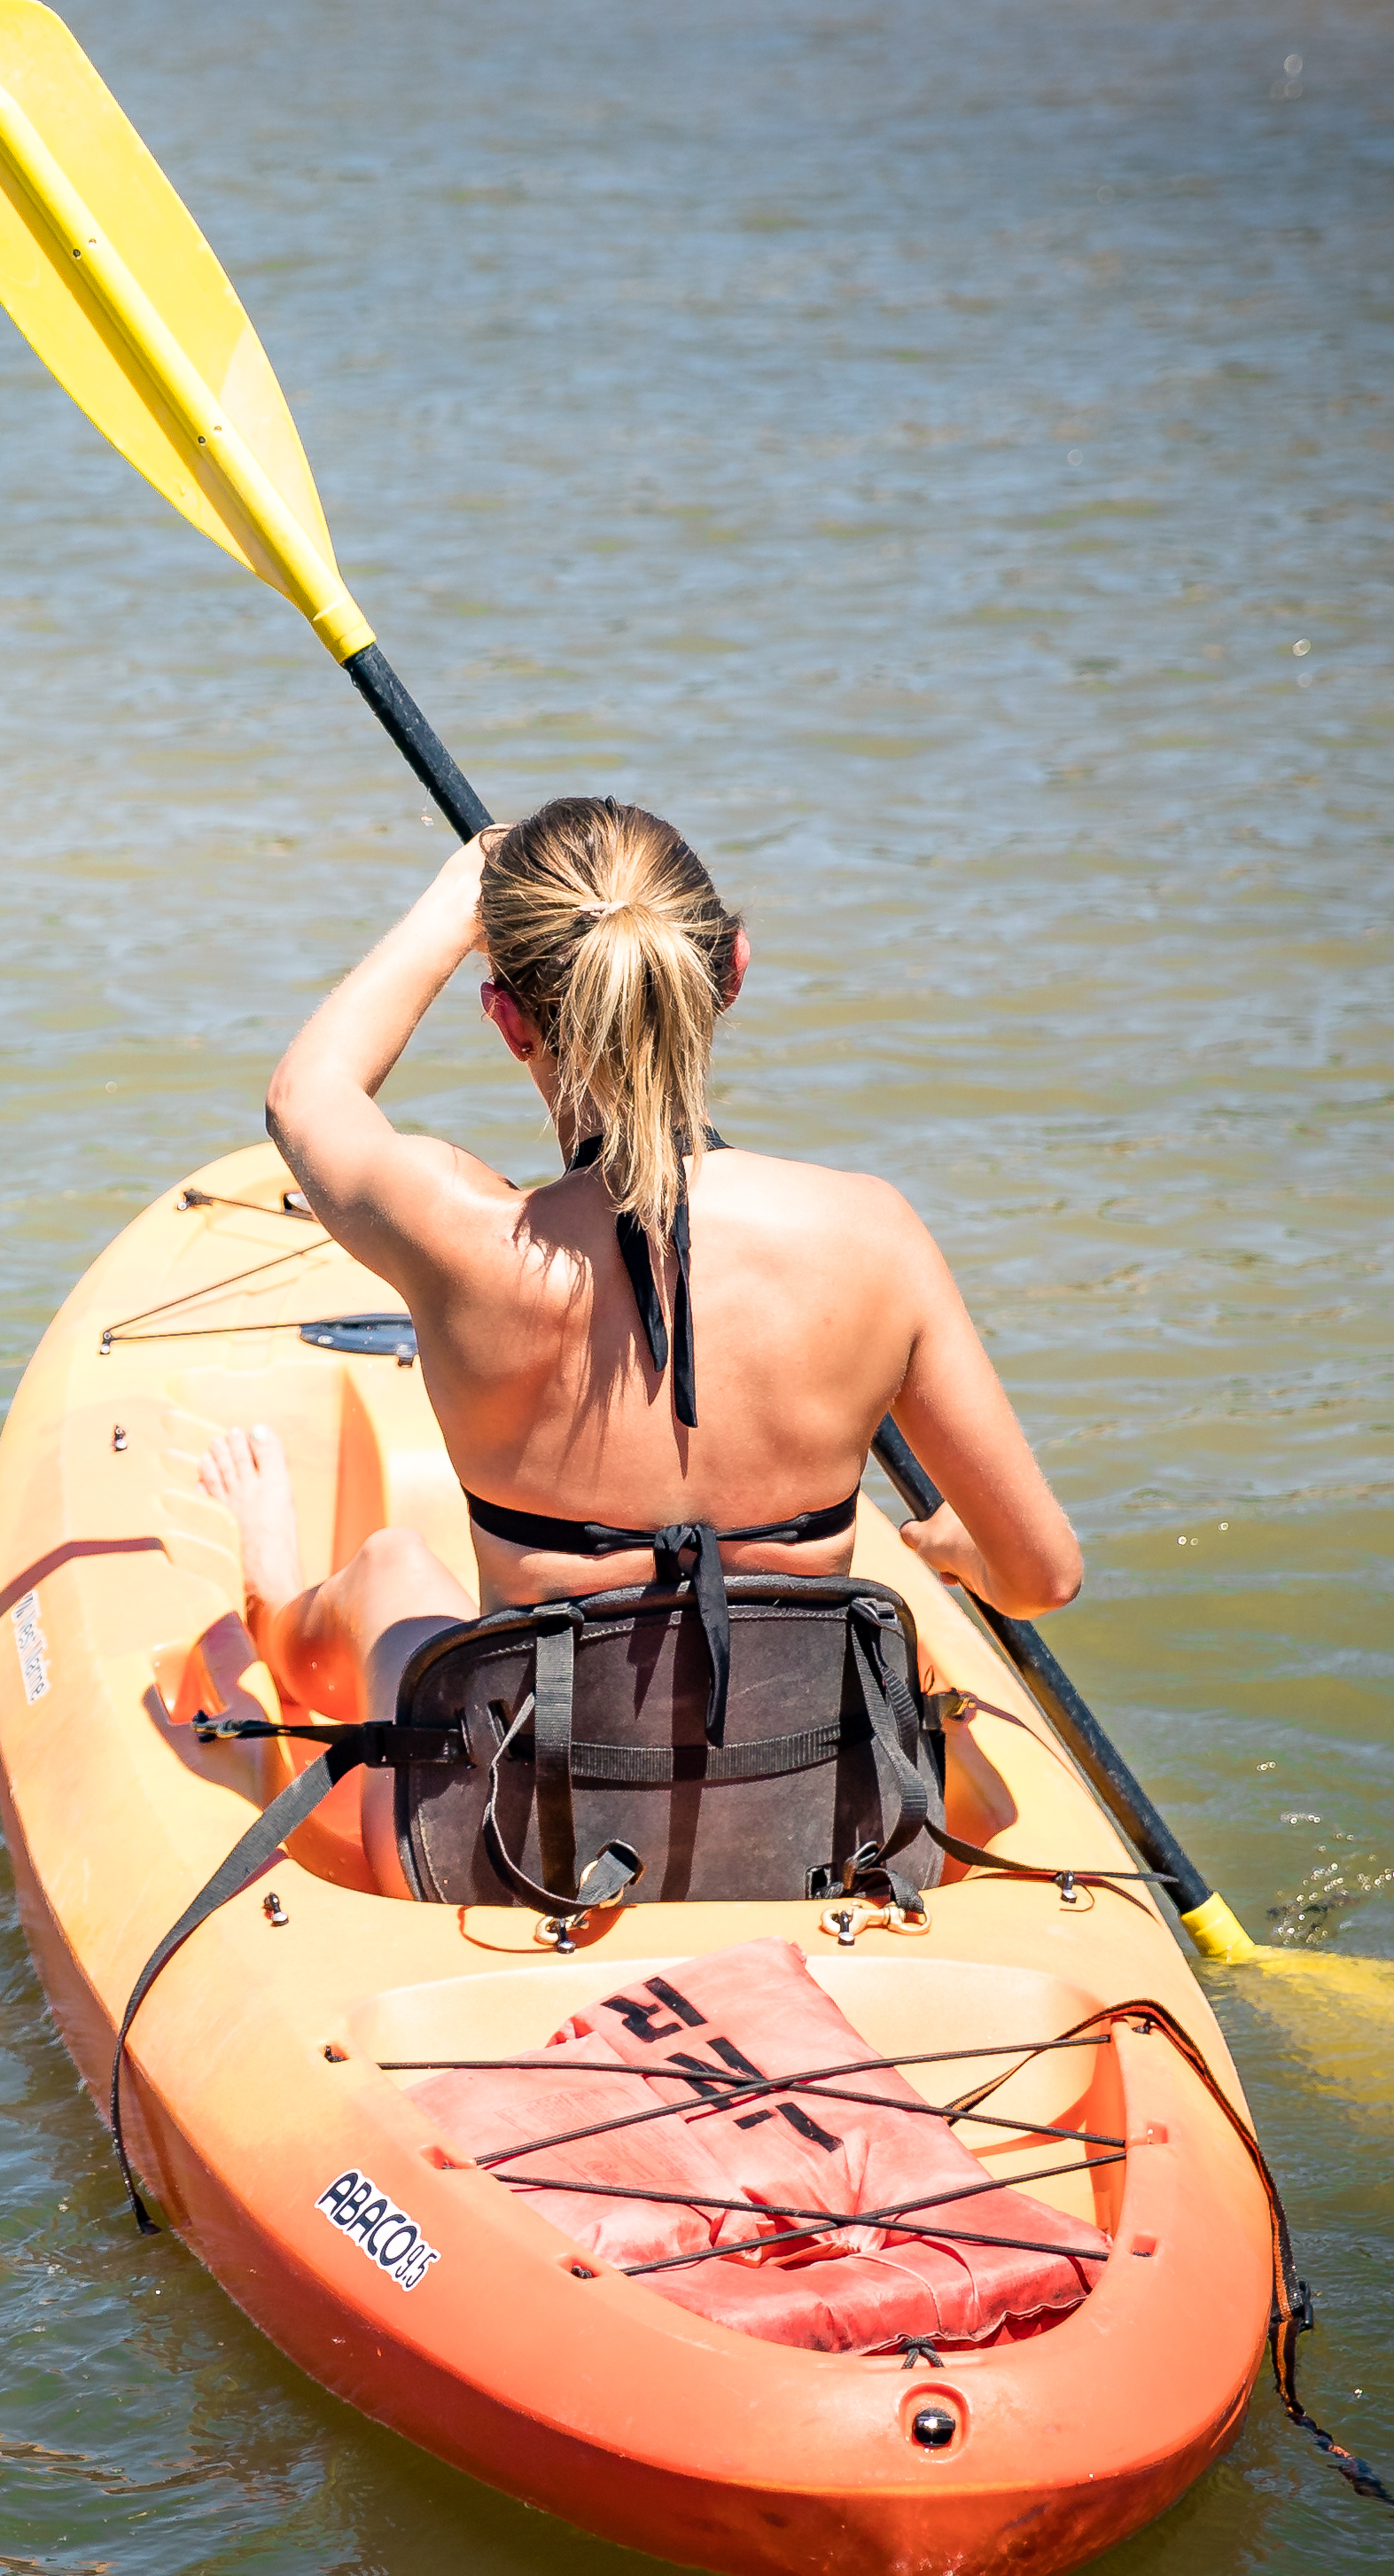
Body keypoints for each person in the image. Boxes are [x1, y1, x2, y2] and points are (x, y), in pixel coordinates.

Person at [194, 797, 1082, 1894]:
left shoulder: (465, 1239)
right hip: (806, 1827)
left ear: (508, 1021)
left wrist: (455, 894)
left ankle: (276, 1606)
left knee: (392, 1573)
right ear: (734, 971)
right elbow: (1042, 1577)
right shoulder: (871, 1236)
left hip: (520, 1850)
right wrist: (956, 1552)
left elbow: (305, 1098)